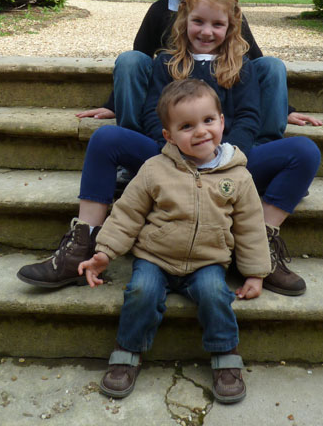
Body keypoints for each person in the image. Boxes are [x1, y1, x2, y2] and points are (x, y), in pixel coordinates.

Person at [17, 0, 320, 296]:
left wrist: (225, 152)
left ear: (231, 27)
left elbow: (248, 117)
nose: (206, 31)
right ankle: (83, 244)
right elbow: (153, 112)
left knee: (305, 151)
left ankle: (263, 243)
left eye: (217, 24)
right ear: (184, 20)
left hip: (226, 162)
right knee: (106, 138)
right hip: (169, 159)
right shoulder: (166, 63)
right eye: (198, 21)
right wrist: (172, 148)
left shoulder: (241, 67)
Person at [77, 78, 270, 403]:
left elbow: (250, 226)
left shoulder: (238, 175)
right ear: (169, 136)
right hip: (155, 258)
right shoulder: (155, 169)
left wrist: (255, 273)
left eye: (208, 120)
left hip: (207, 261)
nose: (201, 132)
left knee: (215, 294)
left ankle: (225, 356)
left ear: (222, 121)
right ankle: (127, 353)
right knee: (141, 291)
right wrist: (105, 252)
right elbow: (127, 214)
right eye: (187, 126)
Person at [76, 0, 323, 135]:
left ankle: (263, 144)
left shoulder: (228, 9)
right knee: (129, 59)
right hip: (172, 90)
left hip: (221, 87)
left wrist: (285, 109)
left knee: (272, 65)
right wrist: (114, 104)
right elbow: (138, 60)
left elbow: (255, 59)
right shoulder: (159, 11)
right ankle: (133, 140)